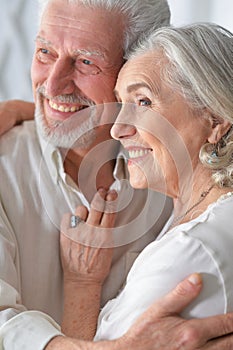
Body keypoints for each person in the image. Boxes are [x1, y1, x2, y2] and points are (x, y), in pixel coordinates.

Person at [0, 0, 173, 349]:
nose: (52, 83)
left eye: (85, 61)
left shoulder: (178, 174)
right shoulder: (5, 165)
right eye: (45, 51)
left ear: (136, 70)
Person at [57, 22, 233, 346]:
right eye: (120, 103)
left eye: (144, 102)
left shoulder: (191, 251)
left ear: (216, 121)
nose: (117, 129)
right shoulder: (204, 215)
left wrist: (81, 283)